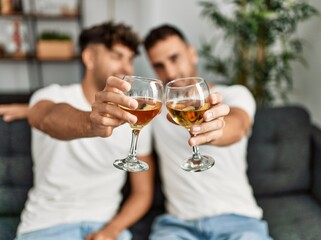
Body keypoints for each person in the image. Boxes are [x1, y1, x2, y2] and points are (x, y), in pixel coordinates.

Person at [15, 22, 155, 240]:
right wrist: (92, 123)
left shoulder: (137, 116)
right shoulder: (51, 95)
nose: (127, 68)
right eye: (117, 56)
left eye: (130, 60)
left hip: (104, 227)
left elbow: (143, 192)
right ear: (89, 57)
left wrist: (111, 231)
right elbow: (47, 117)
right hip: (46, 226)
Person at [143, 24, 272, 239]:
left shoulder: (233, 95)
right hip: (178, 225)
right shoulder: (156, 111)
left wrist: (214, 130)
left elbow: (237, 127)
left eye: (174, 58)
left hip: (239, 221)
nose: (170, 72)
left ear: (192, 54)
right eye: (159, 66)